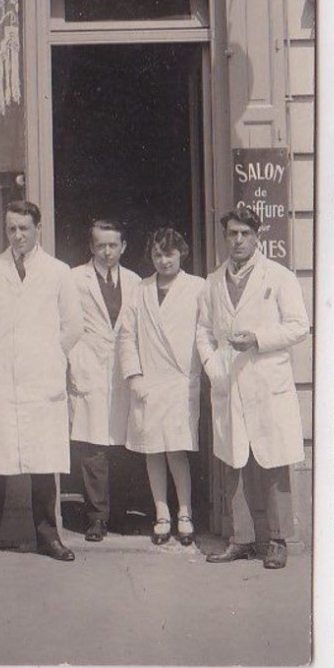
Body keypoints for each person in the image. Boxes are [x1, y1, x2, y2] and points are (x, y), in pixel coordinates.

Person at [0, 200, 84, 562]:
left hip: (41, 380)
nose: (18, 236)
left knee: (43, 464)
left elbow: (73, 326)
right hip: (0, 380)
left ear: (37, 229)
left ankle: (48, 537)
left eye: (24, 228)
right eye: (12, 229)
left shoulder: (58, 272)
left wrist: (45, 355)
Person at [196, 206, 309, 570]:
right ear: (225, 237)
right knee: (234, 461)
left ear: (257, 236)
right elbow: (203, 332)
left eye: (245, 233)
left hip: (266, 380)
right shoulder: (213, 281)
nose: (239, 240)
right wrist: (214, 367)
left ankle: (277, 540)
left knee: (273, 461)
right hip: (229, 381)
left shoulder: (278, 277)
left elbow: (298, 327)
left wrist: (259, 338)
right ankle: (241, 538)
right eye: (232, 234)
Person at [118, 227, 205, 545]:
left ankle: (185, 511)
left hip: (179, 381)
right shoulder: (140, 290)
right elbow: (126, 336)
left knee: (176, 450)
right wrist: (134, 375)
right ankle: (161, 513)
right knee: (151, 450)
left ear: (182, 253)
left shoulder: (198, 287)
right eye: (157, 254)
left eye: (169, 253)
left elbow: (205, 332)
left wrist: (203, 371)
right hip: (149, 381)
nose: (163, 260)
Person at [68, 219, 141, 542]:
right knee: (94, 446)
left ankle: (121, 514)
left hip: (122, 370)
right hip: (90, 366)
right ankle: (96, 517)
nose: (107, 251)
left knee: (124, 445)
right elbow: (66, 325)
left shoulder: (136, 281)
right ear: (91, 247)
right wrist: (74, 363)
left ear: (123, 247)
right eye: (101, 245)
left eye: (113, 245)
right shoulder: (74, 279)